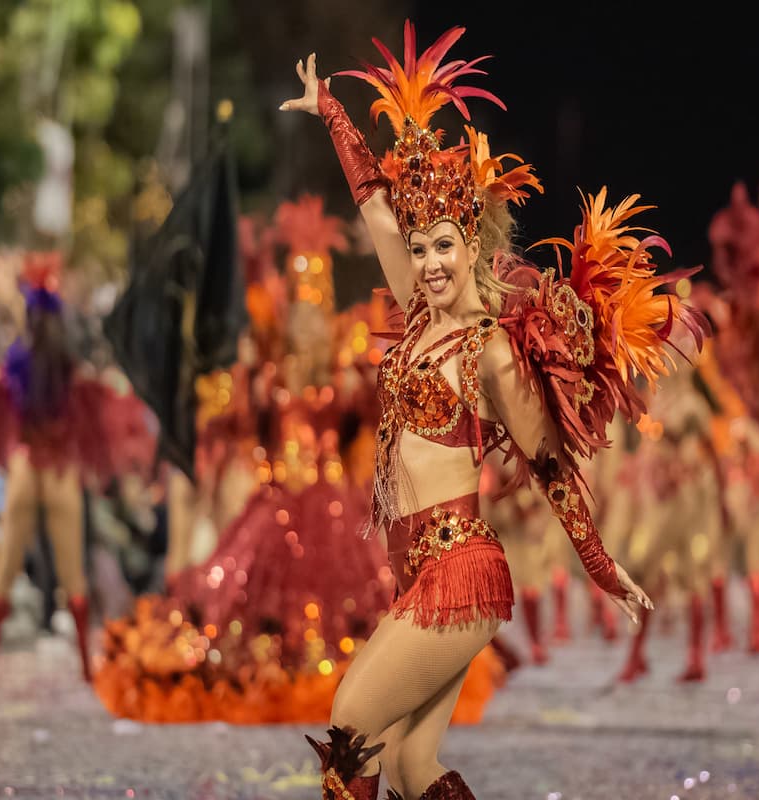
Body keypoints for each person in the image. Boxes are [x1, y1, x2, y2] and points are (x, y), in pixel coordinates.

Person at [279, 22, 707, 799]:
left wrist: (601, 565)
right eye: (421, 249)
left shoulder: (492, 351)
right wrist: (333, 113)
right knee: (411, 768)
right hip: (413, 569)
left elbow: (548, 462)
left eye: (444, 245)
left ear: (471, 244)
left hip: (458, 569)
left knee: (349, 729)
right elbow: (376, 202)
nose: (430, 263)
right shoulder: (416, 315)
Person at [0, 252, 154, 683]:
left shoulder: (18, 359)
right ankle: (83, 663)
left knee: (5, 563)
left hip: (25, 467)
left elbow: (1, 397)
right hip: (60, 469)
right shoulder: (66, 360)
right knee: (71, 570)